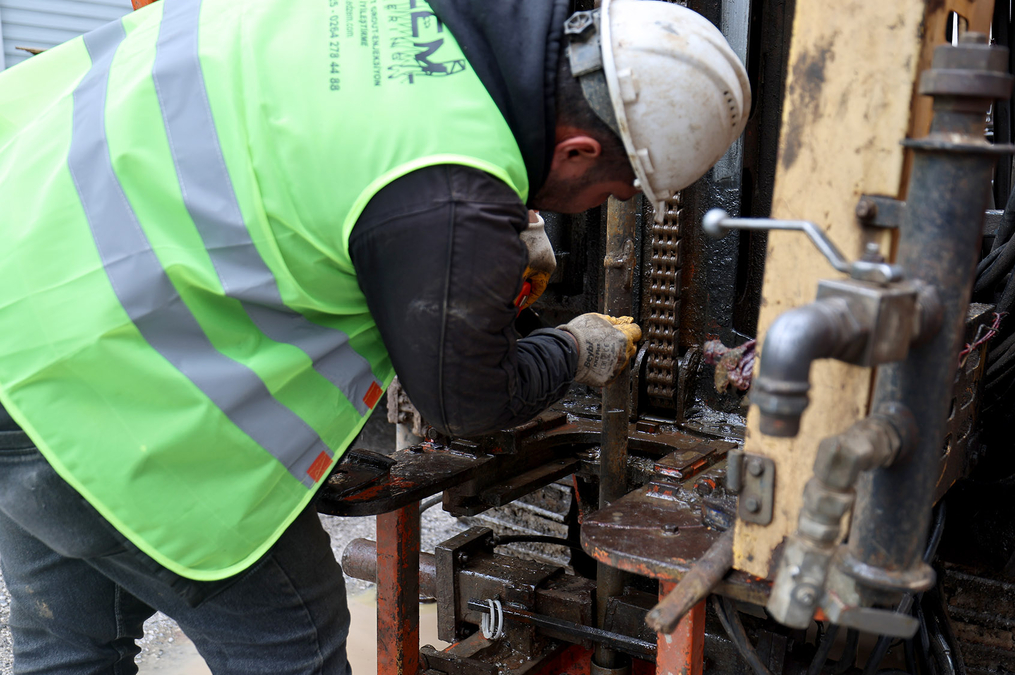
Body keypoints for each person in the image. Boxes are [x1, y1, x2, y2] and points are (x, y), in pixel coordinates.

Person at [0, 0, 750, 671]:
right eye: (610, 192)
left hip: (24, 259)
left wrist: (493, 215)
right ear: (578, 151)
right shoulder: (450, 192)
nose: (595, 206)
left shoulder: (417, 19)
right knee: (290, 642)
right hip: (95, 385)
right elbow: (467, 402)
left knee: (67, 646)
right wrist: (575, 347)